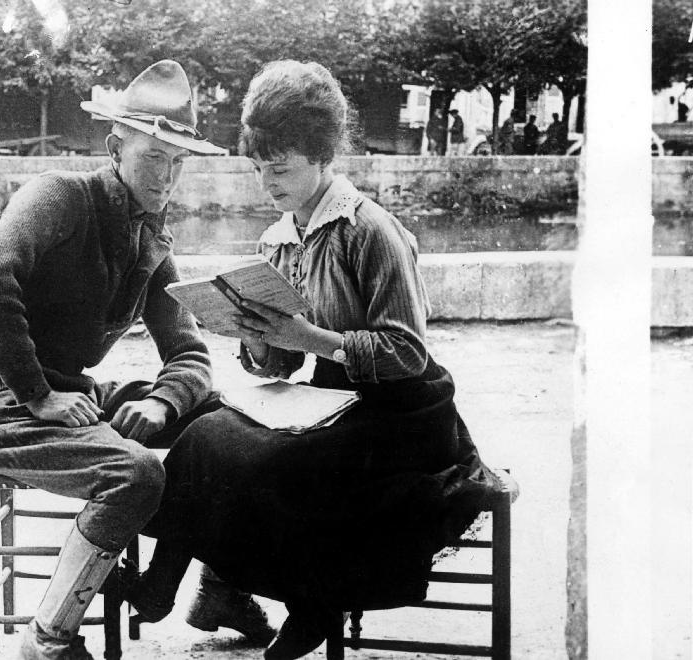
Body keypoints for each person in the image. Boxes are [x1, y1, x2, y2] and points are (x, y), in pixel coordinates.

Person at [122, 60, 504, 660]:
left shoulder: (370, 230)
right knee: (204, 433)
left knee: (280, 467)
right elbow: (276, 363)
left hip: (403, 417)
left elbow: (406, 352)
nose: (267, 182)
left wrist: (307, 338)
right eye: (258, 167)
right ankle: (164, 585)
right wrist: (253, 336)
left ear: (324, 156)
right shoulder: (278, 238)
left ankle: (312, 606)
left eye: (281, 168)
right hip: (329, 400)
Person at [0, 60, 272, 660]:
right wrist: (39, 394)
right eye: (153, 158)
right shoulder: (58, 197)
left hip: (71, 395)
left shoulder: (150, 241)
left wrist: (161, 400)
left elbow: (191, 353)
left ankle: (220, 588)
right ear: (115, 146)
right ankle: (48, 641)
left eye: (178, 163)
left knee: (228, 427)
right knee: (136, 472)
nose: (166, 177)